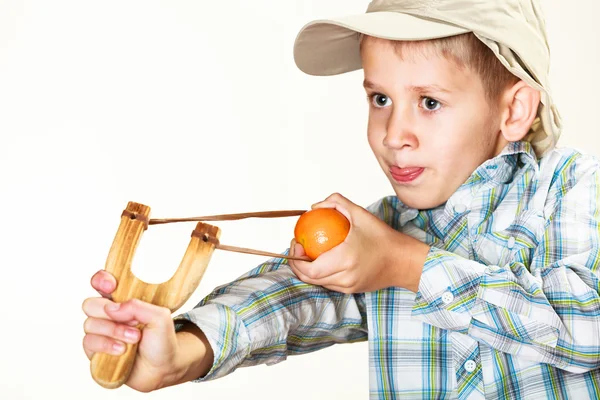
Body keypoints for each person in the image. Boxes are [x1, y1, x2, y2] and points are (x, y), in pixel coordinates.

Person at [82, 0, 600, 398]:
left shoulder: (573, 187)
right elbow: (292, 298)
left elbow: (585, 326)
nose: (394, 133)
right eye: (380, 99)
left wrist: (407, 265)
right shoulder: (385, 230)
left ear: (513, 111)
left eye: (429, 102)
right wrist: (185, 350)